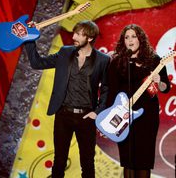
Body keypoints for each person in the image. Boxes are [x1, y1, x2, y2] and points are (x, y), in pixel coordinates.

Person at [24, 20, 110, 178]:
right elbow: (37, 63)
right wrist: (29, 38)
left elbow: (106, 88)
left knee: (88, 163)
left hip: (86, 117)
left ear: (90, 38)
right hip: (63, 115)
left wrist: (97, 112)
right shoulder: (65, 52)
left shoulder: (103, 60)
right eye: (74, 32)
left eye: (78, 34)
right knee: (59, 160)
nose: (74, 36)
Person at [106, 24, 170, 178]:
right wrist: (110, 116)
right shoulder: (117, 62)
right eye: (126, 37)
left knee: (144, 160)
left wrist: (159, 81)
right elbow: (111, 91)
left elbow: (165, 88)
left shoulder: (155, 60)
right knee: (128, 160)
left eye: (133, 36)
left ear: (140, 39)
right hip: (124, 116)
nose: (130, 40)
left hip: (147, 116)